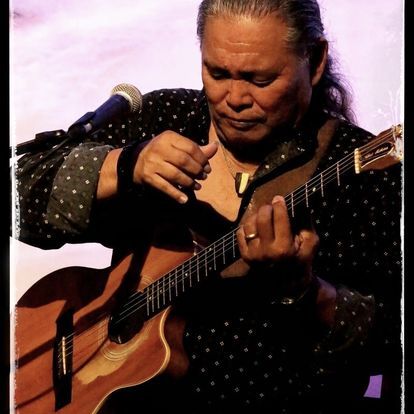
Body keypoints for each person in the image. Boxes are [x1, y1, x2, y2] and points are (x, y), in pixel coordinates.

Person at [13, 0, 402, 413]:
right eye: (217, 73)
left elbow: (386, 350)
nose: (234, 98)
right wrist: (124, 166)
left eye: (259, 79)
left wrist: (305, 292)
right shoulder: (166, 118)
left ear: (316, 61)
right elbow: (21, 199)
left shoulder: (362, 174)